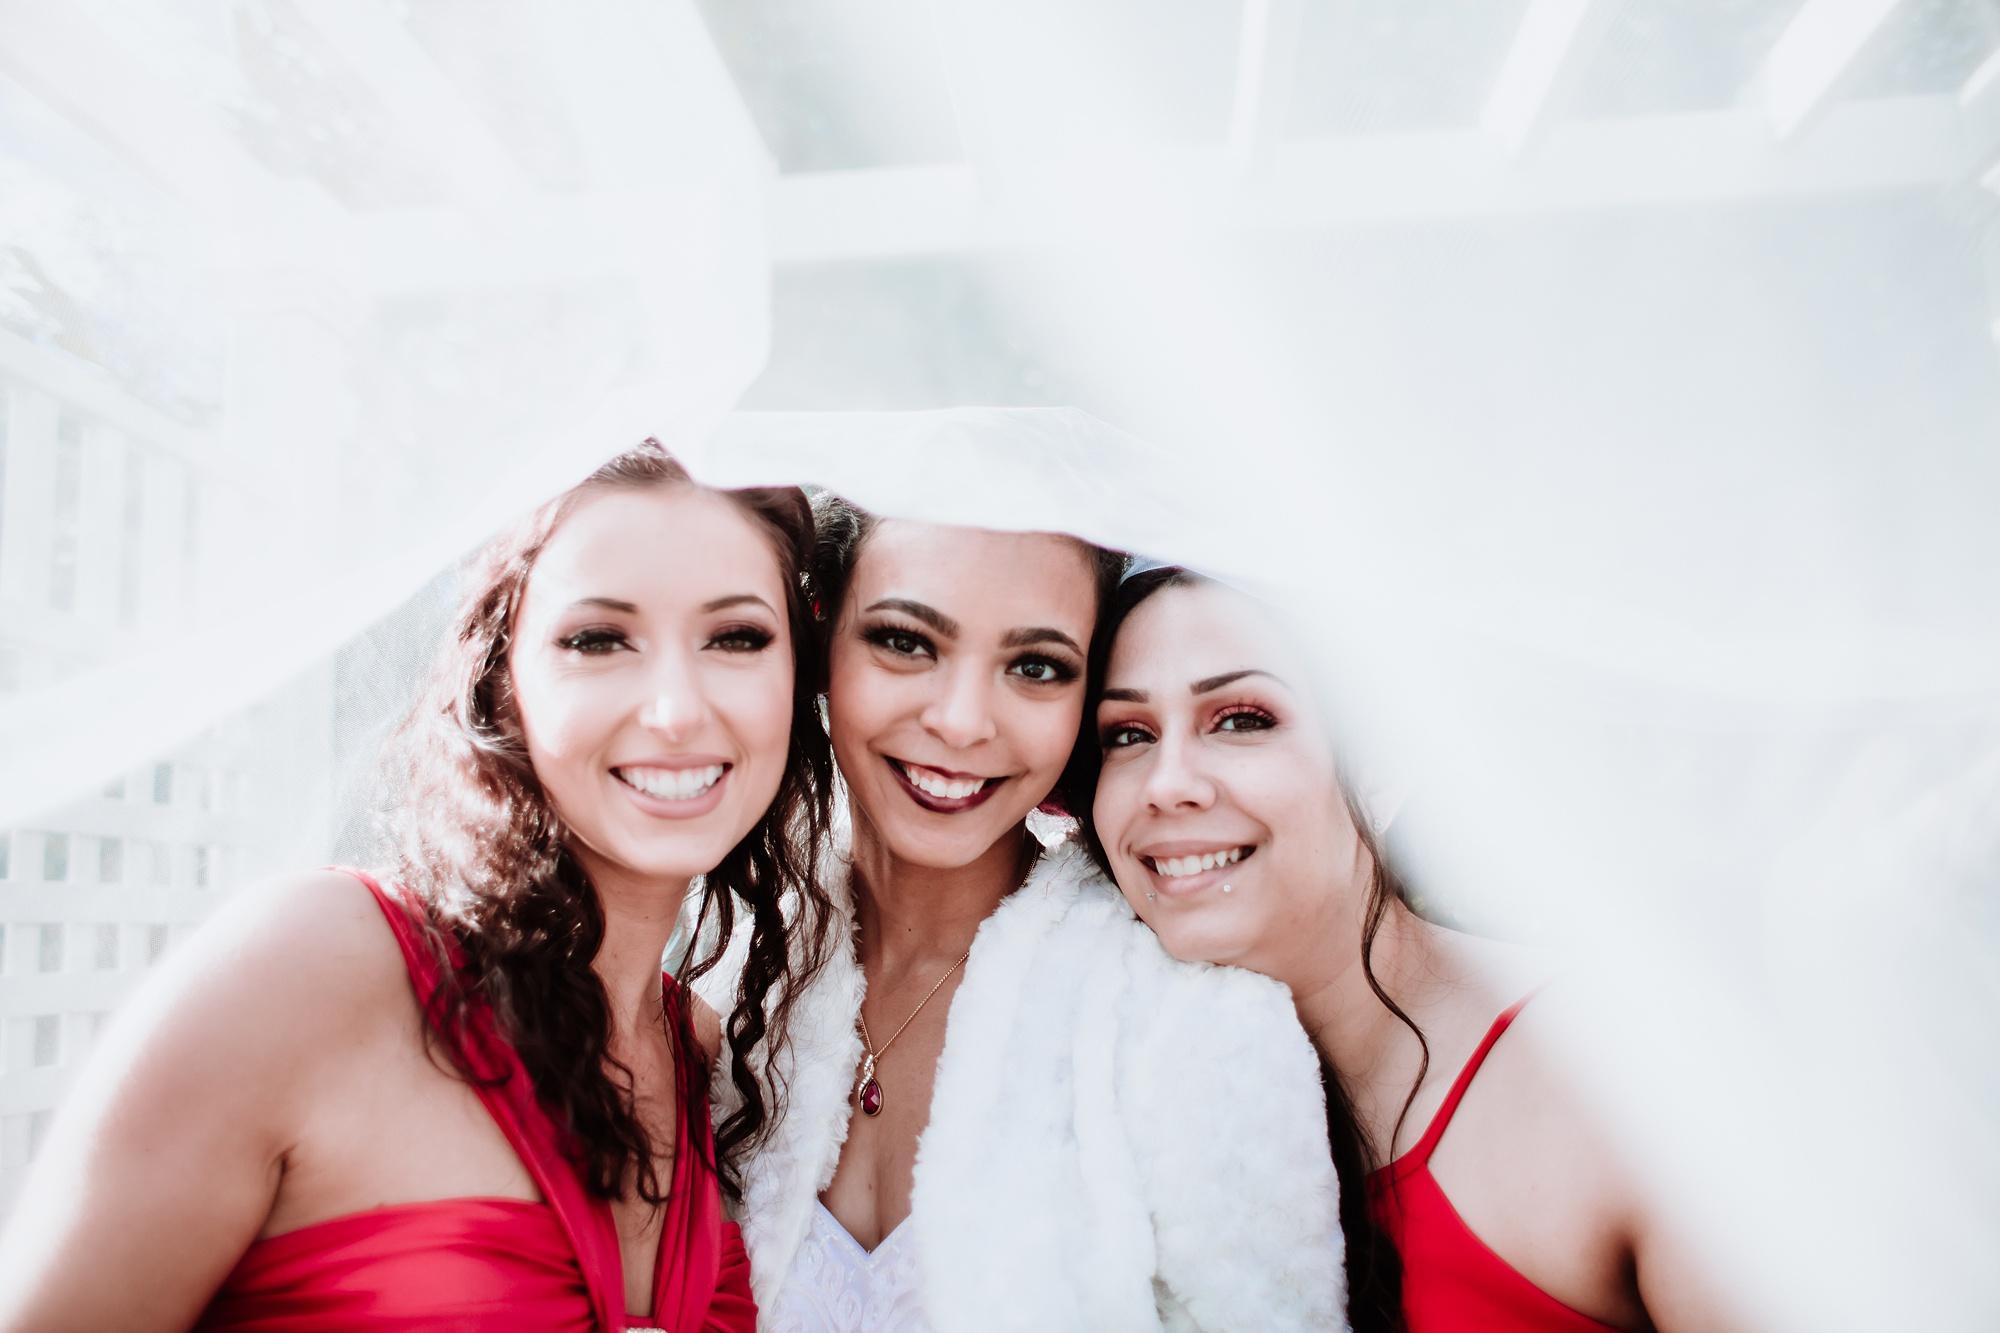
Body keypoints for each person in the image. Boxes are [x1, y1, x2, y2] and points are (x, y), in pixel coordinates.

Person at [0, 443, 833, 1331]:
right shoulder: (310, 968)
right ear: (501, 675)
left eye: (736, 638)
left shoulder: (701, 1052)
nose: (676, 710)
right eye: (597, 639)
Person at [697, 484, 1346, 1332]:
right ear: (821, 636)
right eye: (905, 641)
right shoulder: (731, 966)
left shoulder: (1188, 1018)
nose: (963, 722)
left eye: (1036, 666)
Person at [1083, 567, 1747, 1332]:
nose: (1166, 783)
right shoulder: (1106, 1113)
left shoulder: (1623, 1078)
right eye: (1127, 734)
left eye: (1241, 719)